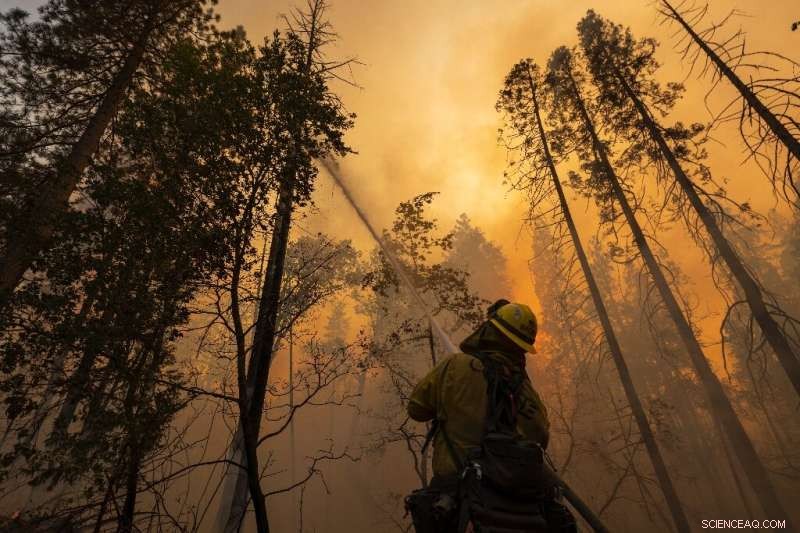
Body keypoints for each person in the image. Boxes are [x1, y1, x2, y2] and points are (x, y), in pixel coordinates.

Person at [405, 300, 576, 533]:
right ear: (522, 348)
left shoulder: (456, 366)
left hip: (457, 500)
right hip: (521, 509)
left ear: (489, 330)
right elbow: (540, 436)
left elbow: (416, 409)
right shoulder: (525, 391)